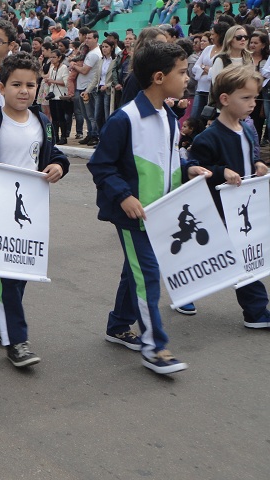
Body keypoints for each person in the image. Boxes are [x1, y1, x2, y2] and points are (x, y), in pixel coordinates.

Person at [87, 41, 212, 375]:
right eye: (182, 72)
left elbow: (165, 160)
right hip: (134, 216)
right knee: (148, 276)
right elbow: (101, 165)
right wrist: (124, 196)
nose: (188, 78)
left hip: (161, 214)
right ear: (159, 77)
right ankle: (154, 347)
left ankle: (118, 325)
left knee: (136, 272)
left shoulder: (168, 117)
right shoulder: (125, 119)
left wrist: (188, 169)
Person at [0, 52, 69, 368]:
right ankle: (17, 340)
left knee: (21, 274)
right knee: (4, 277)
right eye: (16, 84)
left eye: (30, 85)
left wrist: (59, 166)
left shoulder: (42, 123)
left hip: (30, 214)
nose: (23, 91)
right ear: (2, 87)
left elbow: (53, 155)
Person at [188, 65, 270, 328]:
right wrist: (220, 171)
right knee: (234, 258)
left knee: (239, 257)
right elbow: (195, 170)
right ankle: (256, 312)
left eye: (255, 97)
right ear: (224, 99)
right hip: (219, 210)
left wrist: (258, 164)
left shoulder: (246, 130)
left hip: (242, 208)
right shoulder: (208, 137)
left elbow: (250, 156)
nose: (253, 103)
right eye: (245, 98)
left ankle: (187, 291)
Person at [73, 30, 102, 146]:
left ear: (96, 39)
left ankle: (94, 135)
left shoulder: (94, 54)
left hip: (88, 87)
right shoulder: (89, 52)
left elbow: (84, 70)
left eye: (89, 38)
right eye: (86, 38)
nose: (87, 40)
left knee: (90, 114)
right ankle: (90, 133)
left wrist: (74, 66)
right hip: (83, 86)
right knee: (86, 114)